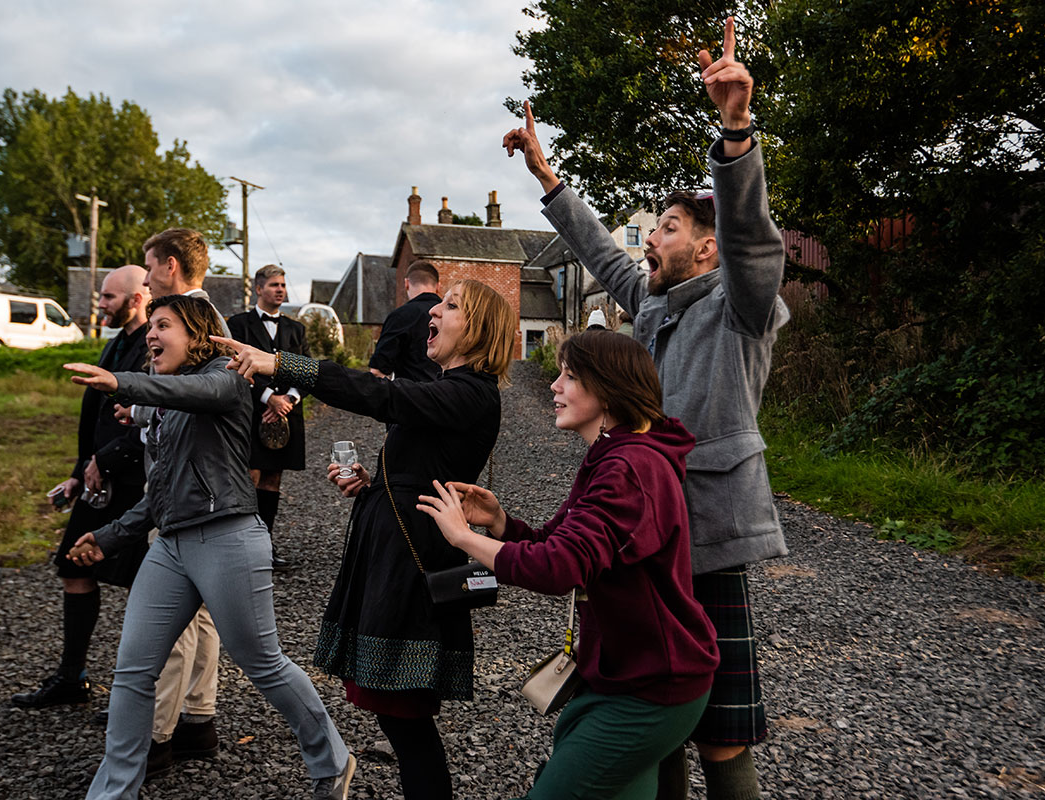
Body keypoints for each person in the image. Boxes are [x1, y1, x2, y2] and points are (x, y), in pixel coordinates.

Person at [503, 17, 789, 799]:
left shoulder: (740, 306)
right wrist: (548, 178)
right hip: (640, 534)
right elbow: (600, 251)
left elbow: (755, 243)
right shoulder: (655, 305)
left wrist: (736, 132)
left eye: (666, 228)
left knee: (721, 737)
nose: (650, 239)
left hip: (707, 538)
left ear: (707, 248)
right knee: (650, 714)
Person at [215, 279, 516, 800]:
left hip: (412, 565)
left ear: (479, 328)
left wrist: (282, 365)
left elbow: (381, 394)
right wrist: (374, 486)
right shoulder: (450, 386)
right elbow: (424, 470)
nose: (432, 313)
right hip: (396, 550)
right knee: (398, 716)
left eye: (450, 306)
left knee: (406, 718)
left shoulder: (471, 391)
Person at [65, 294, 355, 800]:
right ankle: (112, 792)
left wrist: (120, 382)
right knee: (133, 672)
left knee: (263, 662)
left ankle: (332, 759)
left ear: (196, 334)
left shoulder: (226, 376)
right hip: (170, 547)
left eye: (163, 325)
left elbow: (195, 392)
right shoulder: (167, 406)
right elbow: (160, 492)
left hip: (228, 537)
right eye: (149, 327)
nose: (151, 335)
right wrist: (109, 537)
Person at [418, 330, 719, 799]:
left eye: (570, 376)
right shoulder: (614, 456)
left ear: (609, 389)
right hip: (626, 677)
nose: (554, 385)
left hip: (650, 690)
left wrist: (463, 538)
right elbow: (559, 544)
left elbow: (560, 567)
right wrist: (499, 523)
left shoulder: (629, 468)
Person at [12, 265, 150, 709]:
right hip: (98, 479)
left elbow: (152, 418)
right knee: (74, 568)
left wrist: (105, 461)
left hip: (137, 482)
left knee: (146, 586)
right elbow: (93, 418)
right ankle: (72, 678)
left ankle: (141, 698)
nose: (100, 303)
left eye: (108, 296)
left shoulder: (152, 344)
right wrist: (79, 471)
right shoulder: (116, 343)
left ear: (136, 299)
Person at [131, 227, 227, 769]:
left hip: (184, 490)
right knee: (203, 615)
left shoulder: (195, 320)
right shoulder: (202, 316)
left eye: (149, 266)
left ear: (170, 265)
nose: (146, 278)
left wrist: (132, 401)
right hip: (196, 490)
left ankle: (156, 736)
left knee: (173, 622)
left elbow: (184, 395)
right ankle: (199, 719)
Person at [226, 265, 308, 570]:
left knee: (273, 479)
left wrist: (288, 400)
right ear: (258, 289)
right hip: (250, 412)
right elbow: (233, 365)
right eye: (274, 285)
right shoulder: (238, 325)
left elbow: (309, 370)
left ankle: (265, 547)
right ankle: (241, 547)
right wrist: (268, 398)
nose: (280, 290)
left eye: (283, 285)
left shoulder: (296, 329)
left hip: (286, 415)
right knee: (250, 477)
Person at [368, 260, 441, 382]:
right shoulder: (456, 316)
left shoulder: (400, 316)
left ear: (406, 283)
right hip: (451, 392)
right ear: (438, 286)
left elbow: (377, 371)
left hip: (412, 391)